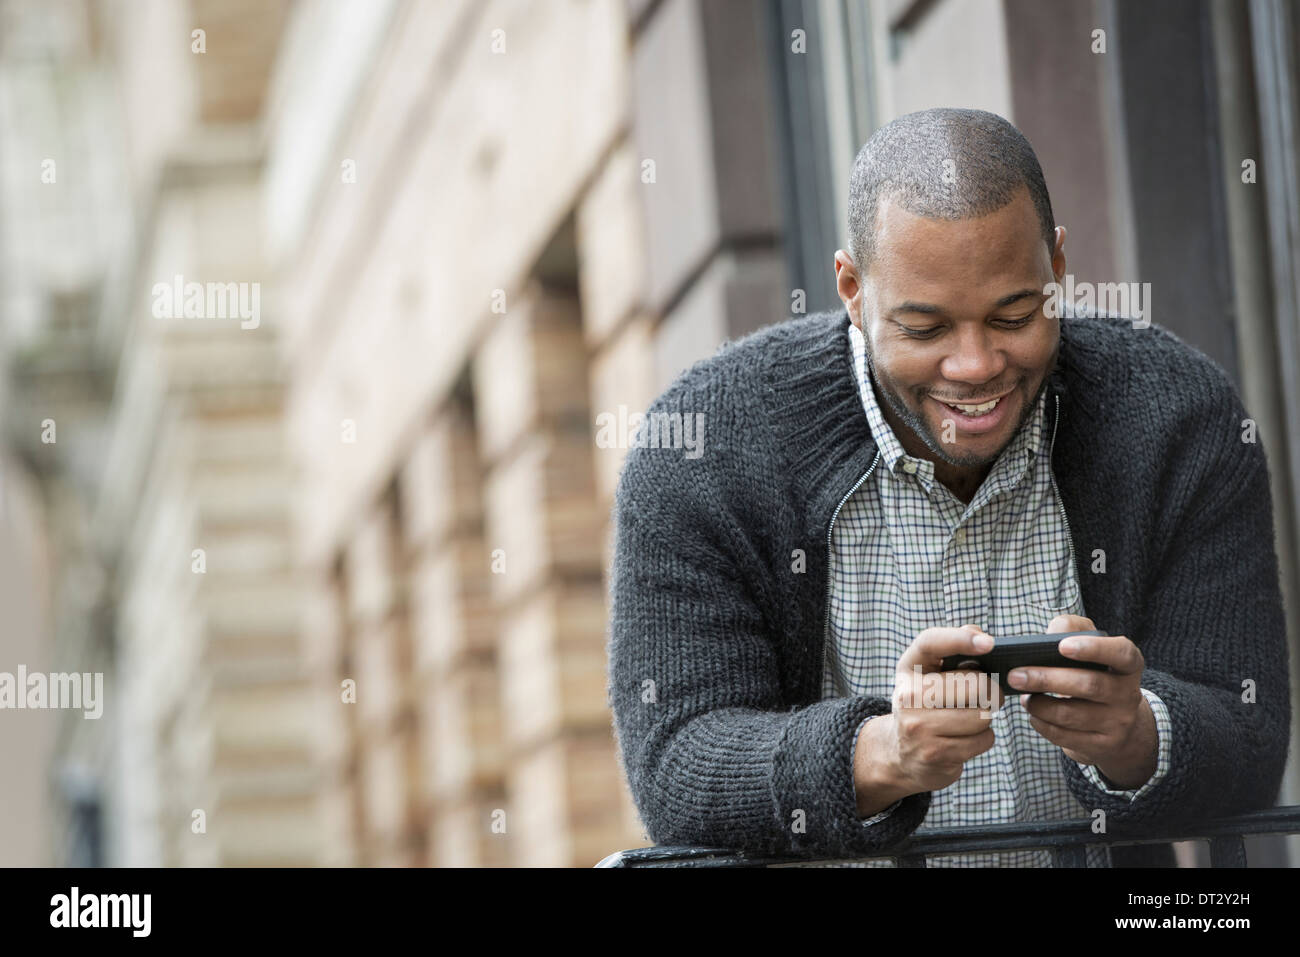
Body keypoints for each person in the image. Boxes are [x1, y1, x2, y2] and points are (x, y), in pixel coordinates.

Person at [606, 107, 1291, 866]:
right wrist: (881, 754)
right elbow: (675, 761)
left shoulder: (1177, 419)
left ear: (1058, 270)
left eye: (1015, 314)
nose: (975, 366)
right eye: (926, 329)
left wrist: (1141, 735)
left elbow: (1250, 728)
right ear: (852, 290)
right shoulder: (707, 445)